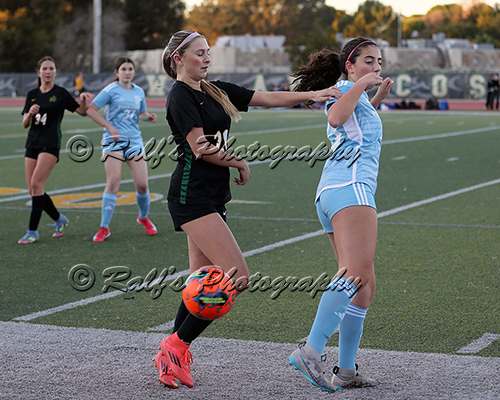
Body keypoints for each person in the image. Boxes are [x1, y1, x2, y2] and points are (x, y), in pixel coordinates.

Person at [152, 30, 342, 389]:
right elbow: (200, 147)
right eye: (199, 53)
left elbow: (266, 97)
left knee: (201, 283)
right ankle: (175, 345)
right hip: (191, 196)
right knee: (236, 277)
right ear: (178, 59)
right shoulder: (180, 94)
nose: (206, 58)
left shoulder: (214, 90)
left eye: (208, 52)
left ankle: (174, 353)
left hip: (211, 196)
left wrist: (312, 94)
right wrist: (239, 162)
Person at [287, 38, 393, 393]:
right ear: (349, 65)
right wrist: (362, 85)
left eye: (379, 62)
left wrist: (374, 98)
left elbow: (352, 126)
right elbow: (335, 116)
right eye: (368, 61)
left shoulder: (352, 93)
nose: (376, 68)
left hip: (334, 191)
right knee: (354, 275)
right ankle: (310, 351)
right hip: (350, 189)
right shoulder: (345, 89)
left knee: (364, 286)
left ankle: (346, 371)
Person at [18, 56, 94, 244]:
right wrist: (29, 114)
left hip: (50, 144)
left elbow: (82, 112)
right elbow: (25, 123)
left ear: (55, 72)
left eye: (51, 68)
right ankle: (59, 219)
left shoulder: (60, 93)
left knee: (36, 184)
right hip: (32, 143)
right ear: (39, 72)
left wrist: (84, 100)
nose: (48, 71)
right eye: (44, 68)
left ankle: (32, 231)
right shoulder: (32, 94)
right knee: (33, 189)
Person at [86, 57, 158, 242]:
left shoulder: (139, 91)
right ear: (117, 72)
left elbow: (141, 114)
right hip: (113, 141)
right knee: (113, 182)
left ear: (134, 72)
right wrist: (110, 128)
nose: (127, 72)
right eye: (124, 69)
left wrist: (148, 117)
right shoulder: (110, 90)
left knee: (142, 185)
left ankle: (143, 218)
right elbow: (91, 110)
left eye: (130, 69)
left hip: (134, 141)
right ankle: (104, 227)